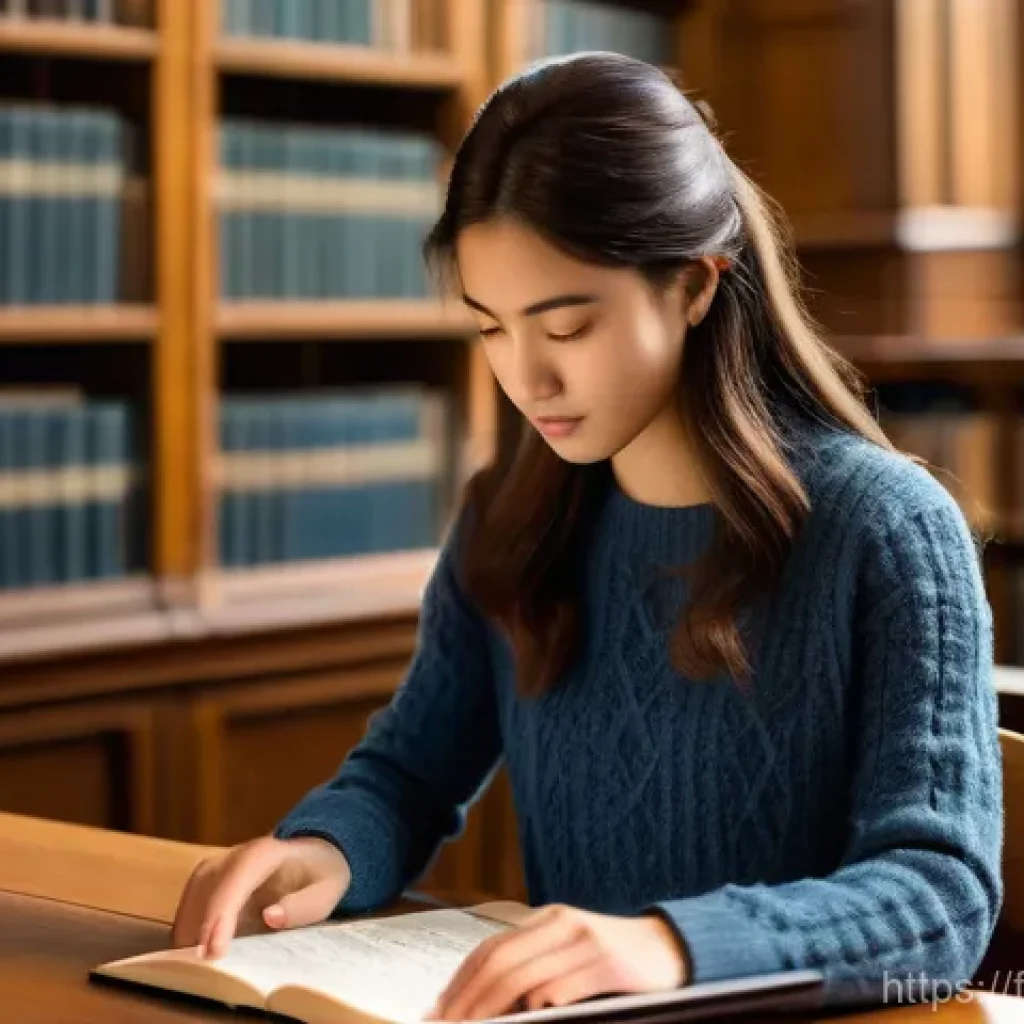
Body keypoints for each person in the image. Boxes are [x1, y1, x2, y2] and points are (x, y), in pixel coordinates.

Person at [171, 52, 1003, 1016]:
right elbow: (407, 772)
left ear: (696, 286)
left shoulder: (888, 531)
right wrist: (322, 850)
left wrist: (672, 945)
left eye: (565, 328)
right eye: (491, 328)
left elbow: (940, 898)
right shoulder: (511, 515)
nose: (527, 380)